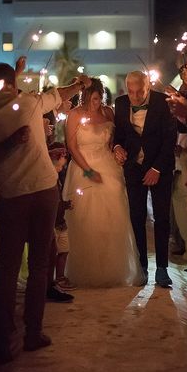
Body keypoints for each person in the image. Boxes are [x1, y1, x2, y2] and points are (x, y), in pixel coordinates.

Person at [0, 61, 90, 363]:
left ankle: (4, 338)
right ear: (13, 83)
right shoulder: (27, 102)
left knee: (8, 269)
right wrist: (80, 84)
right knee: (41, 264)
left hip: (11, 194)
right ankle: (33, 333)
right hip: (42, 189)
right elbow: (58, 93)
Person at [62, 78, 143, 287]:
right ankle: (85, 269)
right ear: (84, 97)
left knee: (113, 213)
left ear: (102, 96)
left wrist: (117, 149)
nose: (95, 103)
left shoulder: (108, 113)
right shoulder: (75, 114)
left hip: (108, 165)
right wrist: (88, 171)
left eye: (98, 99)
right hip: (83, 166)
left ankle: (112, 268)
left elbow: (115, 139)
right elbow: (72, 146)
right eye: (91, 99)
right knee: (87, 217)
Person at [113, 71, 177, 287]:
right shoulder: (120, 103)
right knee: (136, 217)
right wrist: (117, 147)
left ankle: (162, 268)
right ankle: (141, 267)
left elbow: (170, 138)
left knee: (161, 218)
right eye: (131, 92)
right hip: (133, 168)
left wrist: (157, 168)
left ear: (148, 86)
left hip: (160, 168)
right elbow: (119, 134)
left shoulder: (163, 102)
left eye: (140, 91)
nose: (135, 96)